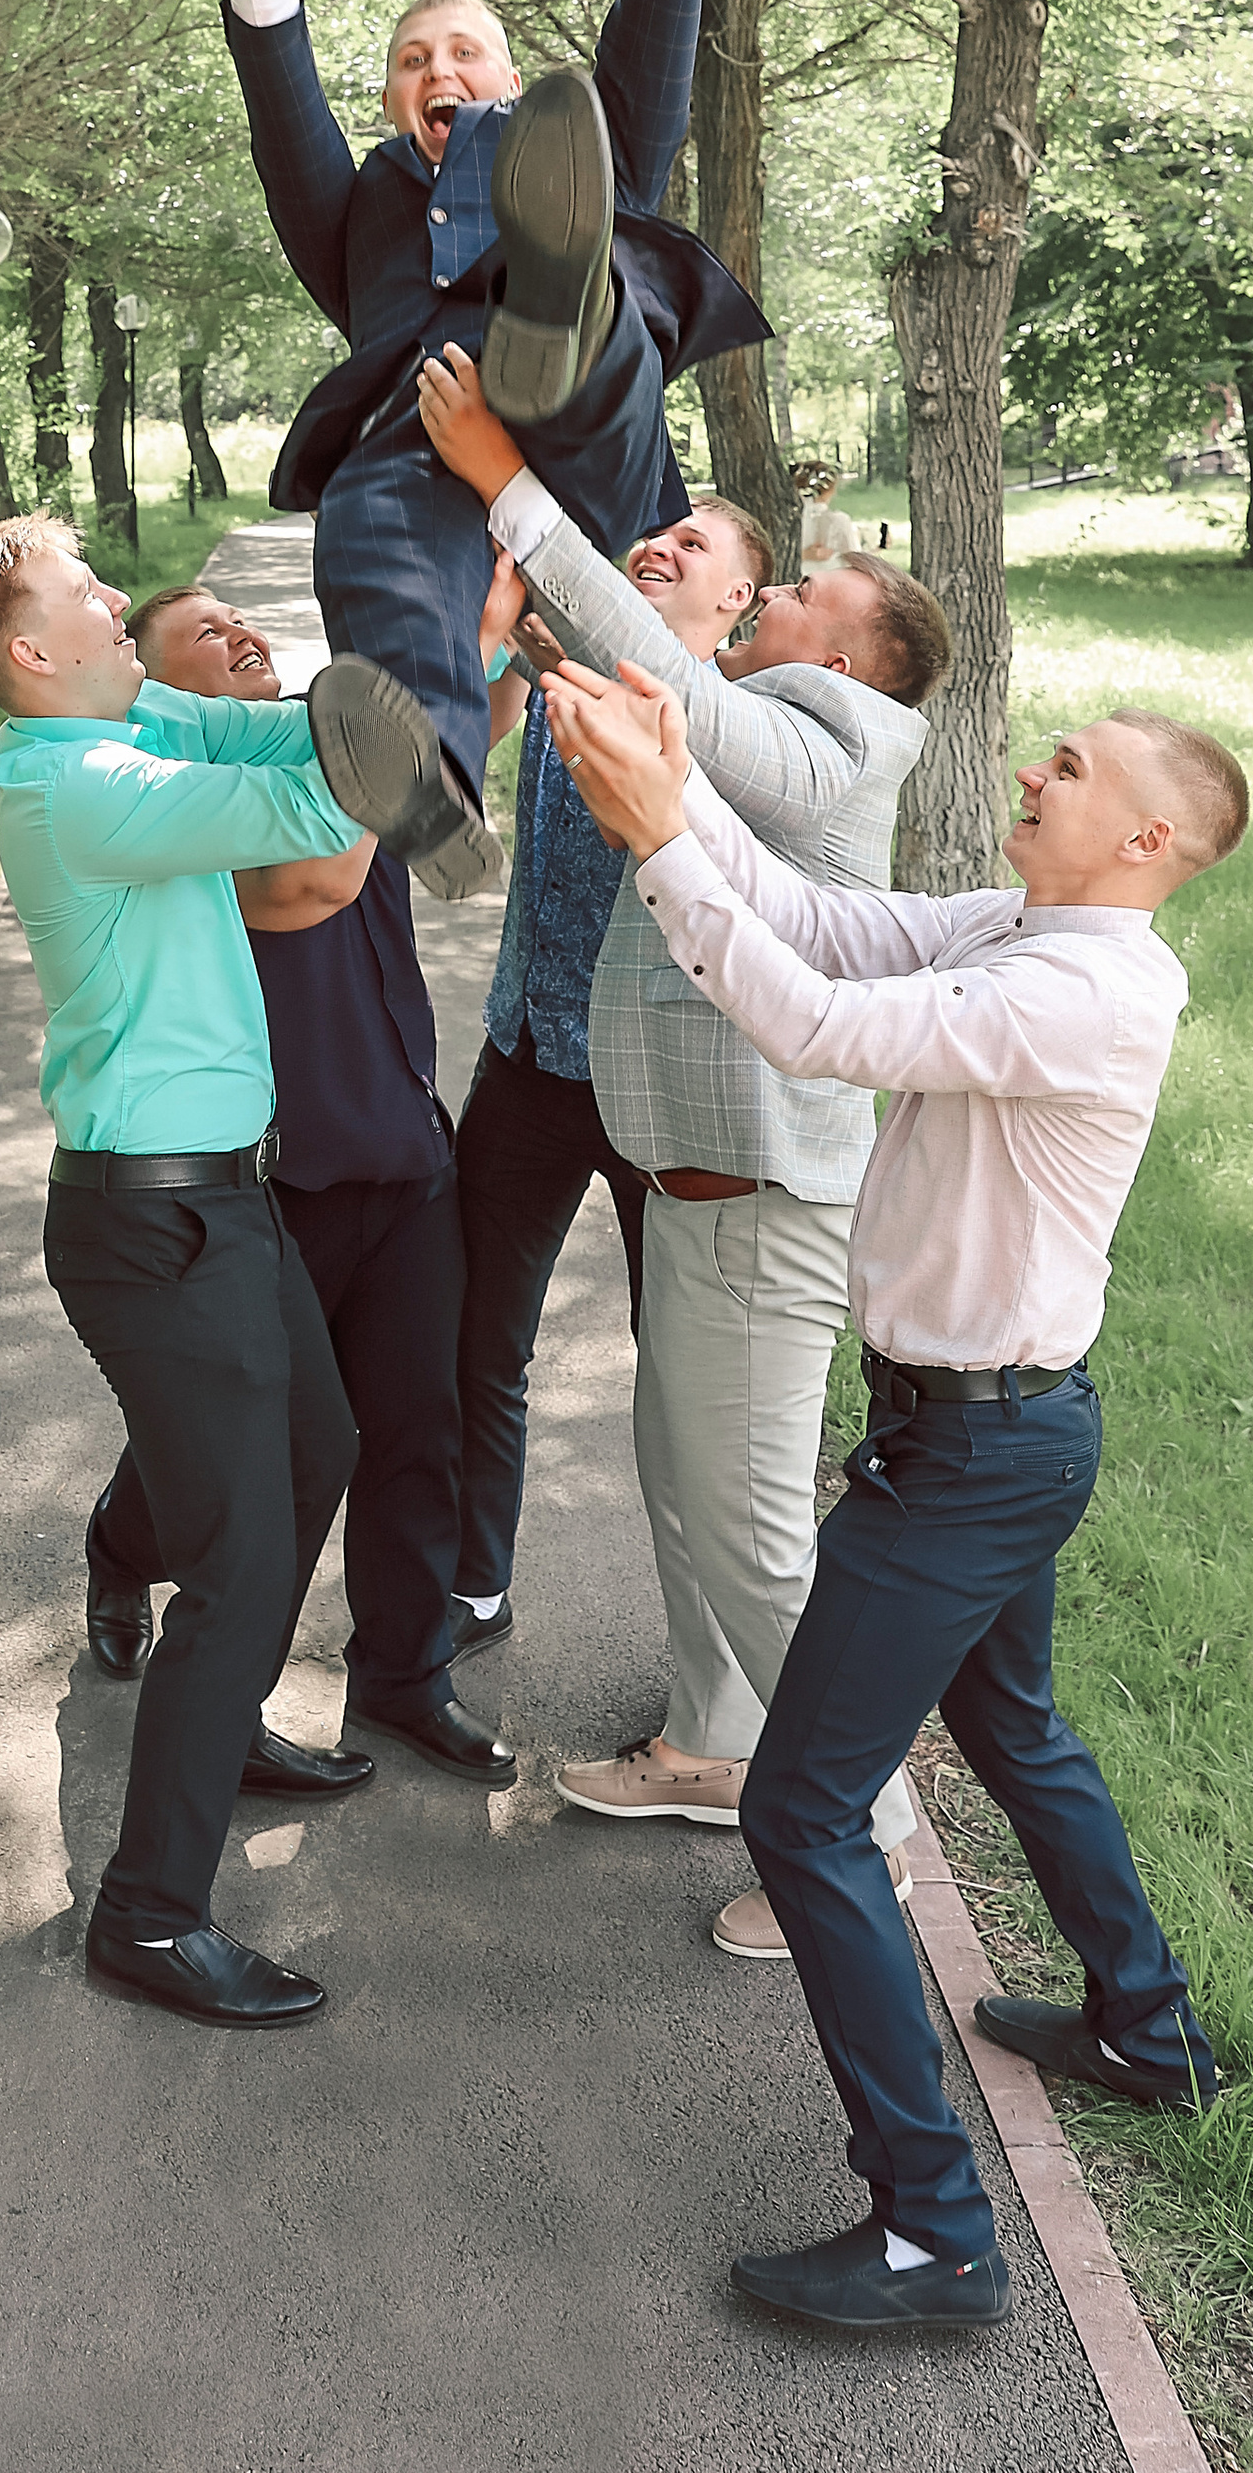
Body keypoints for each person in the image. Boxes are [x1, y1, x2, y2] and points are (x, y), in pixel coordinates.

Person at [544, 659, 1241, 2334]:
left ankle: (935, 2232)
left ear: (1145, 839)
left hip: (973, 1461)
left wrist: (656, 837)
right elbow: (818, 922)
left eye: (1069, 766)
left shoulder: (1087, 992)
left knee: (801, 1812)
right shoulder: (1026, 927)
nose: (1034, 772)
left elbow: (814, 1025)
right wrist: (675, 795)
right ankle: (1147, 2030)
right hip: (997, 1434)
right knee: (1018, 1731)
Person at [0, 514, 473, 2030]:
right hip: (149, 1228)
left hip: (228, 1196)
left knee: (318, 1446)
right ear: (34, 652)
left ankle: (216, 1722)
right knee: (237, 1562)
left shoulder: (135, 719)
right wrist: (425, 665)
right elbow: (305, 794)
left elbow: (275, 728)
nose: (114, 596)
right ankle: (149, 1918)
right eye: (84, 591)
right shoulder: (77, 784)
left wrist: (379, 680)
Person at [420, 346, 950, 1962]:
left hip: (764, 1205)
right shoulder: (748, 718)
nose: (772, 598)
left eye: (794, 592)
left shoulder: (838, 737)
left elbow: (685, 696)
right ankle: (716, 1749)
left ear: (844, 651)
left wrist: (507, 477)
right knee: (690, 1498)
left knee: (757, 1541)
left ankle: (868, 1839)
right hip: (702, 1189)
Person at [194, 0, 769, 883]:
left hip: (589, 415)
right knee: (366, 528)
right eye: (412, 60)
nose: (439, 70)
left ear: (506, 76)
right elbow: (282, 118)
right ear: (388, 99)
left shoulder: (570, 146)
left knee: (593, 290)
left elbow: (658, 25)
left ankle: (554, 304)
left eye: (463, 52)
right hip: (424, 431)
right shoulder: (362, 207)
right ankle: (440, 796)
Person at [84, 583, 515, 1787]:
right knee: (258, 1450)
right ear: (158, 693)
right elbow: (305, 889)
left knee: (417, 1432)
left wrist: (494, 653)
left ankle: (403, 1679)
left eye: (241, 619)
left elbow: (470, 746)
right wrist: (384, 750)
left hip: (406, 1158)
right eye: (204, 634)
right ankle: (133, 1564)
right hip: (276, 1181)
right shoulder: (178, 813)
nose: (241, 635)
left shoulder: (323, 760)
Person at [435, 499, 767, 1661]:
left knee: (682, 1375)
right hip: (525, 1059)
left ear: (735, 600)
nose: (663, 545)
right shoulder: (561, 675)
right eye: (658, 532)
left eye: (696, 544)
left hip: (662, 1095)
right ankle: (472, 1583)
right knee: (475, 1338)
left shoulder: (736, 728)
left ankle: (720, 1651)